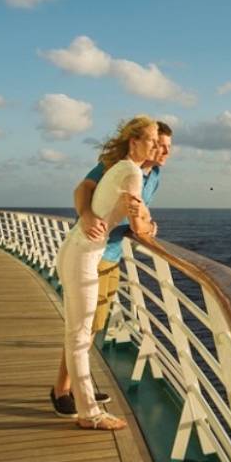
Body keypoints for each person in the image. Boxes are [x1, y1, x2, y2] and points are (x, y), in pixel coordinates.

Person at [50, 121, 173, 419]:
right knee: (85, 328)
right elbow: (84, 188)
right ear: (139, 142)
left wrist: (145, 222)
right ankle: (63, 390)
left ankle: (80, 388)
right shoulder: (120, 167)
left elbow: (138, 214)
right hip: (94, 251)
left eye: (167, 147)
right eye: (159, 144)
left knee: (94, 325)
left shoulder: (153, 175)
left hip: (111, 253)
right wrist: (87, 214)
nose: (164, 152)